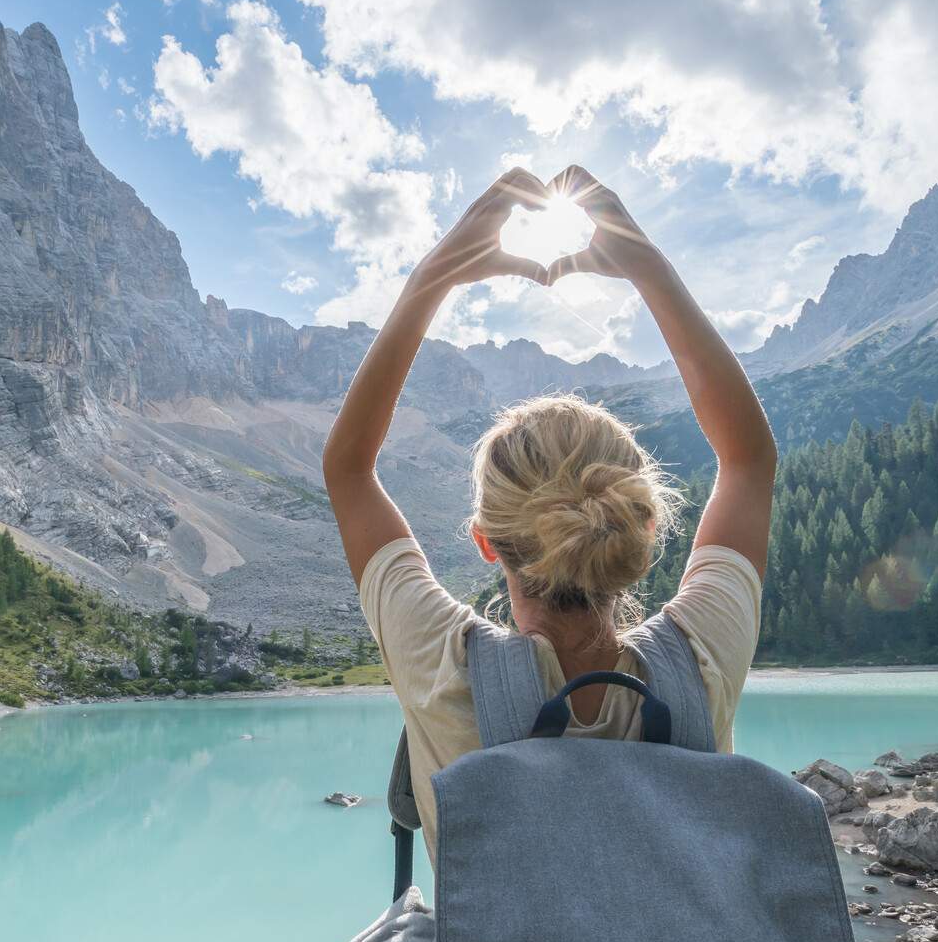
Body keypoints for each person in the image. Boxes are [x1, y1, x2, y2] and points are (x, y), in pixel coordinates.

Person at [321, 165, 777, 861]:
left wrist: (434, 276)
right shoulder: (702, 657)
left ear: (484, 543)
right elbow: (747, 458)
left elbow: (347, 469)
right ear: (645, 530)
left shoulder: (444, 670)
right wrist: (649, 269)